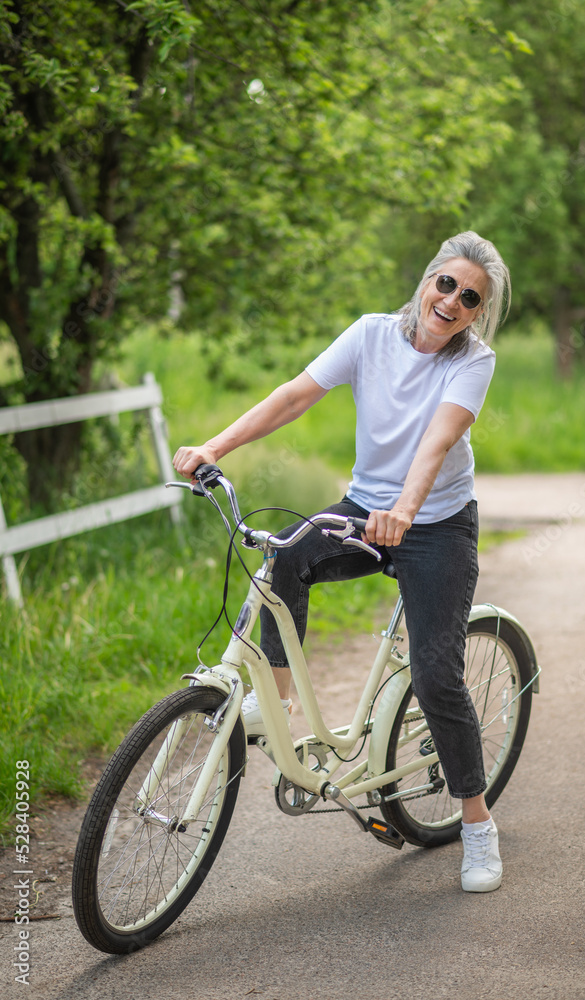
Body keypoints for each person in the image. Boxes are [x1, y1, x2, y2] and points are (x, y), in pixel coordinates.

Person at [173, 230, 511, 893]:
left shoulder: (473, 362)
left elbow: (436, 443)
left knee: (436, 672)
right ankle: (278, 705)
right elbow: (294, 395)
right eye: (445, 283)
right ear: (426, 279)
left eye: (468, 297)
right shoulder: (369, 335)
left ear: (476, 313)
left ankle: (476, 824)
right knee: (284, 565)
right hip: (363, 508)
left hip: (434, 523)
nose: (451, 301)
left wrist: (405, 512)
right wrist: (214, 446)